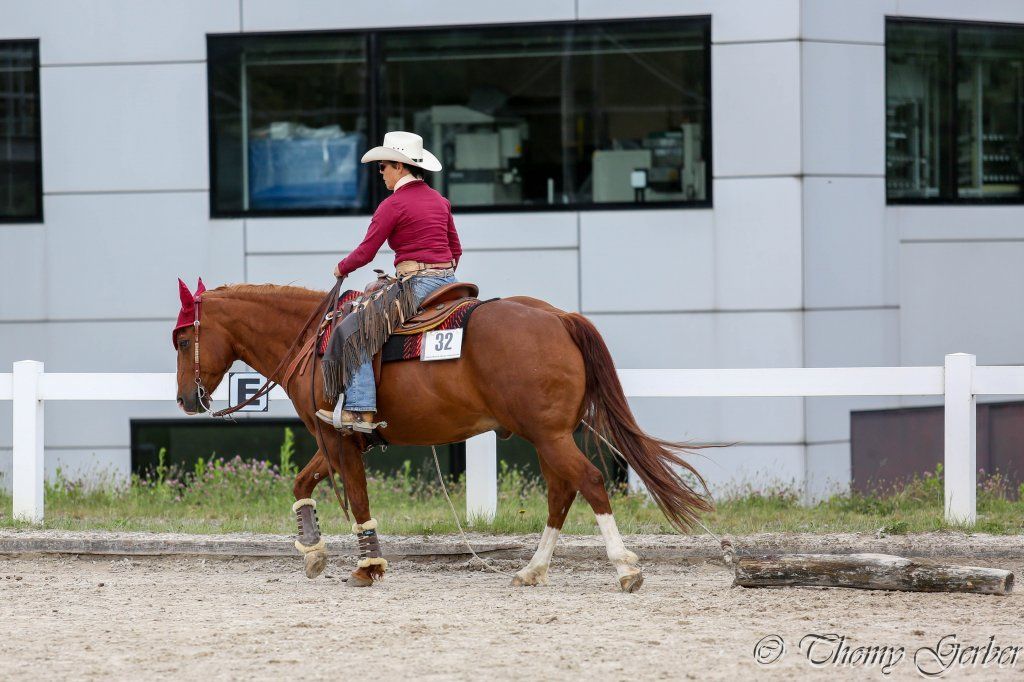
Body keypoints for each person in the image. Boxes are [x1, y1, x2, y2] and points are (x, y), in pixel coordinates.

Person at [316, 131, 462, 431]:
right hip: (451, 281)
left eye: (383, 166)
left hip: (417, 286)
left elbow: (367, 251)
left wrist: (341, 268)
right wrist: (441, 272)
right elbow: (455, 248)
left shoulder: (393, 205)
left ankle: (360, 409)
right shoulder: (441, 201)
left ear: (401, 166)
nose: (381, 173)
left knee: (353, 329)